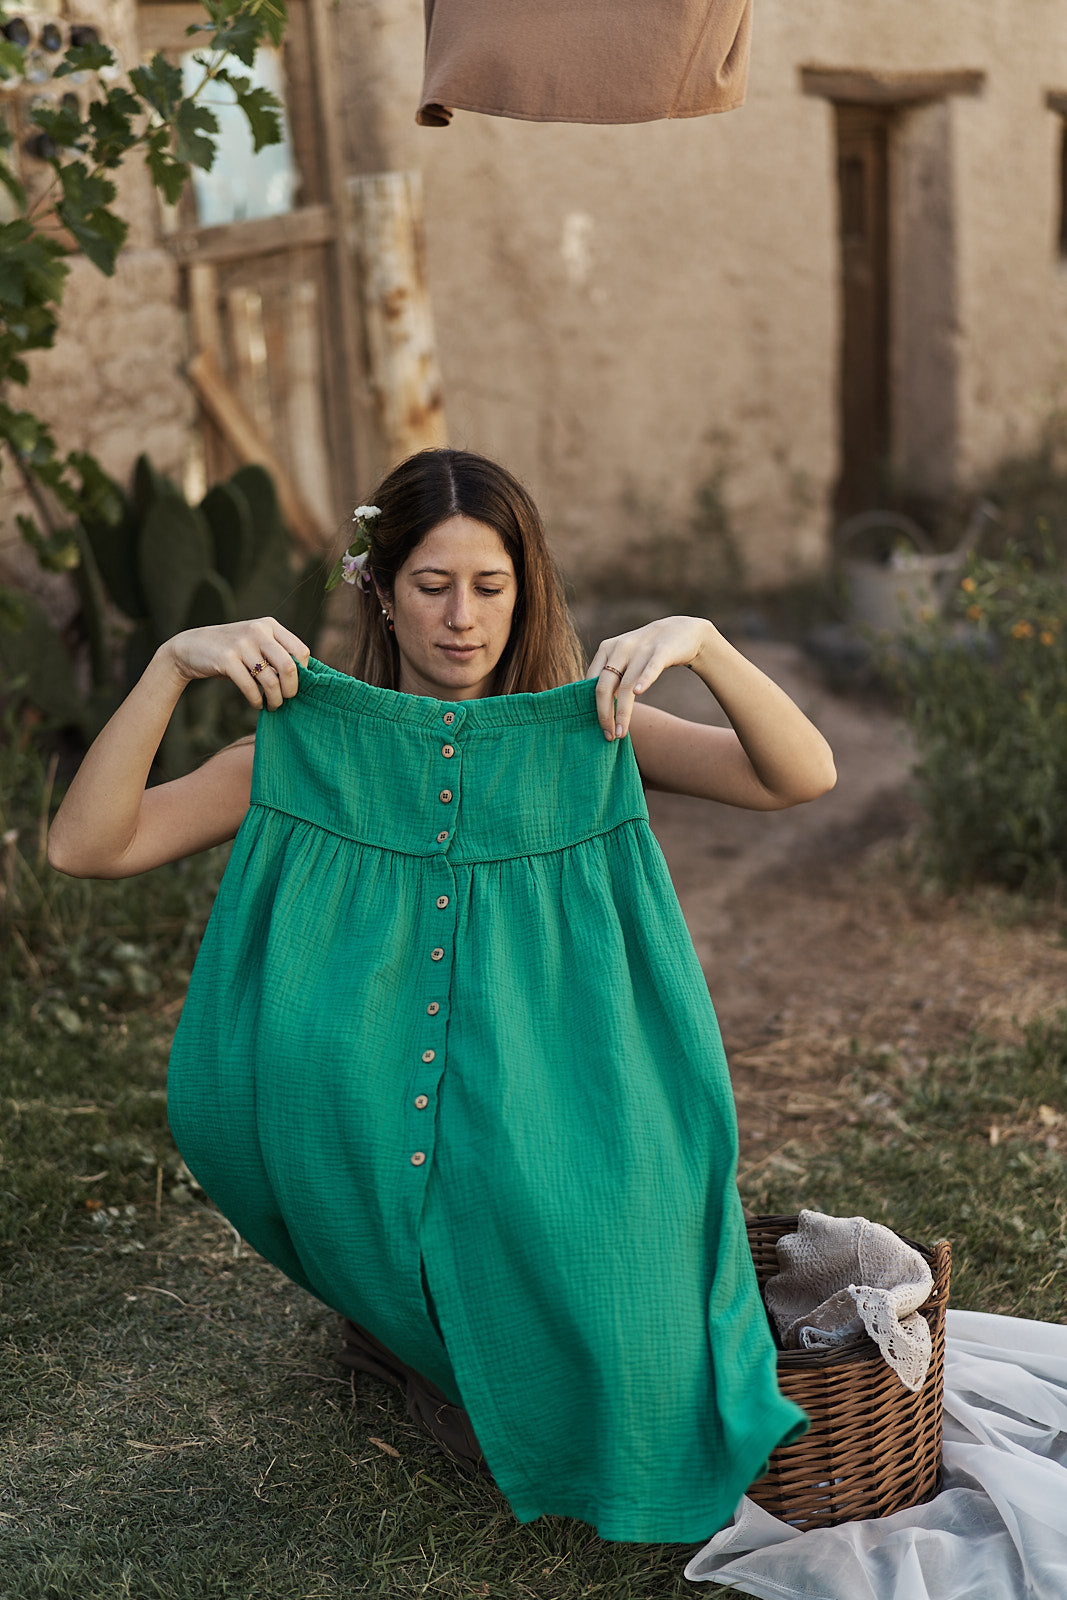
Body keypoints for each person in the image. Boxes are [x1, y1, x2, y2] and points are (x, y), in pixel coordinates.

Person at [49, 448, 836, 1544]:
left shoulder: (595, 730)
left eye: (489, 586)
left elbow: (800, 774)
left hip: (560, 1086)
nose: (460, 619)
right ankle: (409, 1319)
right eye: (430, 586)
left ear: (527, 590)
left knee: (616, 1300)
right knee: (436, 1213)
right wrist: (176, 662)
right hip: (359, 1089)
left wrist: (699, 643)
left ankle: (429, 1341)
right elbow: (87, 846)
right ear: (379, 588)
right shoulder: (303, 747)